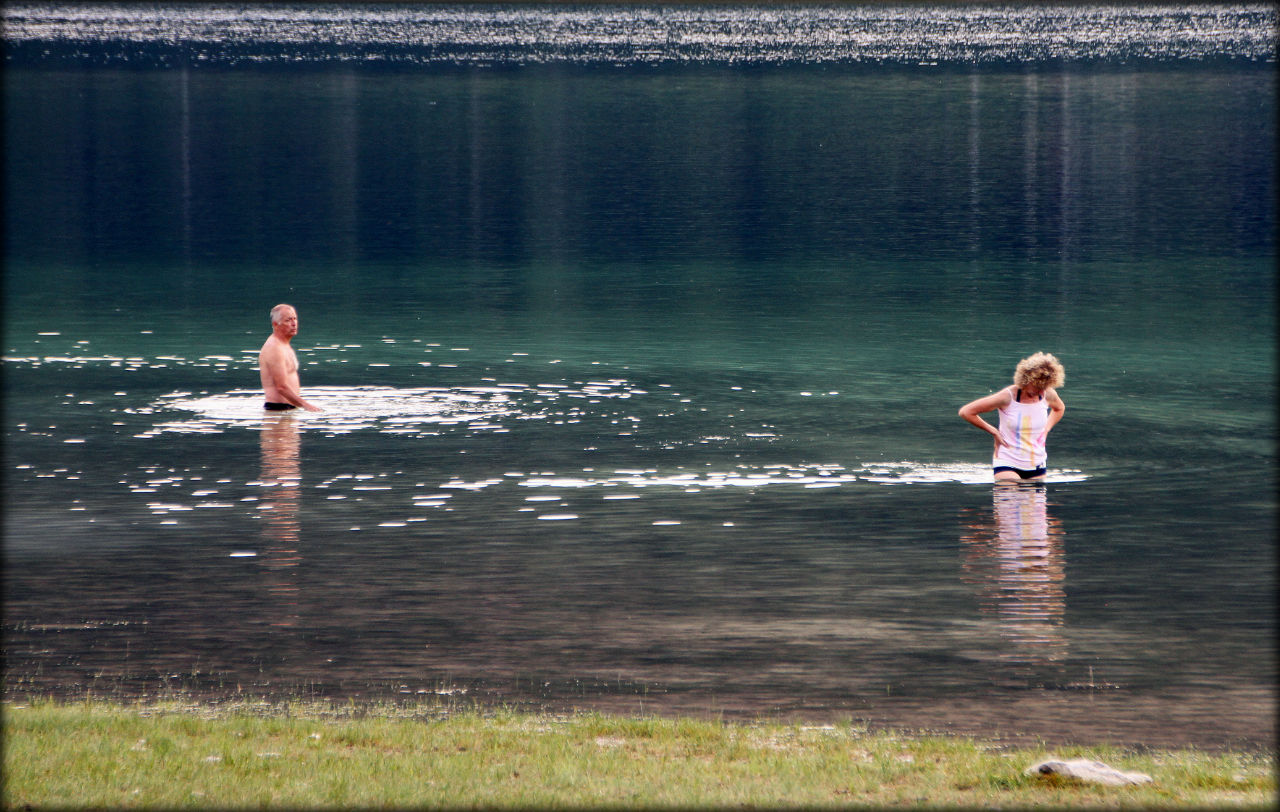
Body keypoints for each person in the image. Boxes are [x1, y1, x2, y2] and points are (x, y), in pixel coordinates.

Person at [959, 352, 1065, 482]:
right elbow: (966, 412)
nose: (1041, 391)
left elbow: (1059, 409)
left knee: (1034, 500)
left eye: (1045, 386)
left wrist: (1047, 428)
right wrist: (993, 431)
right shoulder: (1008, 396)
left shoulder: (1047, 394)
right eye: (1038, 386)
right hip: (1007, 460)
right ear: (1027, 379)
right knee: (1010, 494)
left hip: (1036, 462)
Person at [259, 304, 322, 412]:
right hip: (277, 410)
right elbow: (281, 387)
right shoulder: (274, 348)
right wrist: (307, 406)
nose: (294, 324)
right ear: (275, 324)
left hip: (288, 409)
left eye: (295, 319)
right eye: (288, 320)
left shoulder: (284, 344)